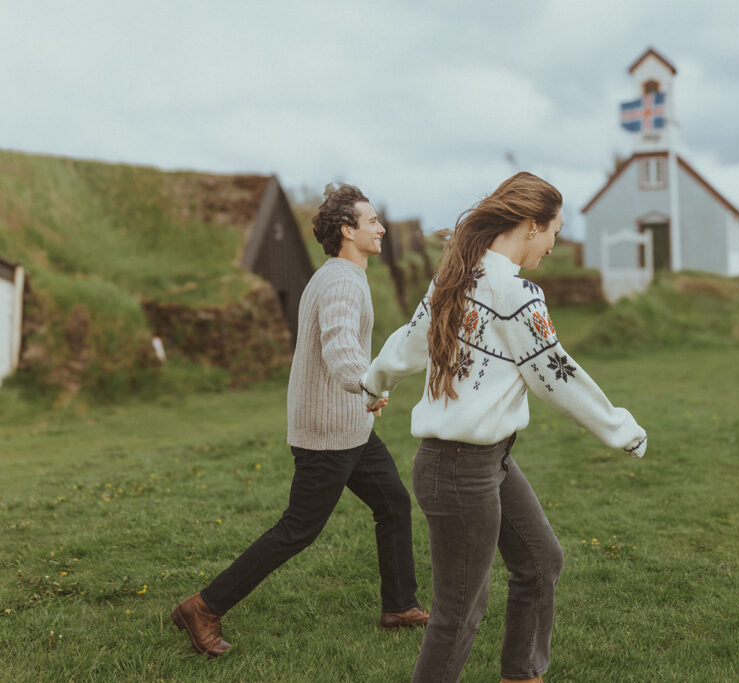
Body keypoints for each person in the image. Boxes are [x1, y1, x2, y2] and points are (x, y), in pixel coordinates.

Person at [361, 172, 647, 682]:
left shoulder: (455, 275)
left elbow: (408, 343)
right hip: (459, 470)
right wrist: (620, 428)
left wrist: (374, 382)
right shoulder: (517, 294)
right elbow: (557, 375)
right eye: (555, 232)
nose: (555, 246)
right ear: (532, 226)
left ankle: (522, 675)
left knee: (541, 562)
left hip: (484, 462)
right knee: (458, 613)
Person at [171, 183, 429, 657]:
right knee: (297, 530)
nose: (381, 228)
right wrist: (367, 385)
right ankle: (203, 608)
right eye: (372, 221)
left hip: (352, 428)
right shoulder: (341, 282)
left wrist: (365, 392)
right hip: (329, 434)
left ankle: (399, 606)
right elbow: (338, 346)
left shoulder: (339, 274)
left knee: (393, 503)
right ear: (348, 230)